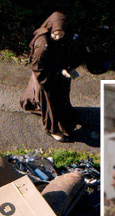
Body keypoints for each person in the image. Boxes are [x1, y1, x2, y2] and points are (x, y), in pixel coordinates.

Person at [20, 12, 81, 142]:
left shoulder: (67, 37)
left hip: (58, 73)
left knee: (62, 97)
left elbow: (68, 52)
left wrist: (66, 68)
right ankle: (52, 129)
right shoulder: (42, 44)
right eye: (55, 34)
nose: (58, 37)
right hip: (45, 77)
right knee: (50, 104)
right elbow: (38, 68)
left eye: (61, 34)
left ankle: (65, 118)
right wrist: (56, 74)